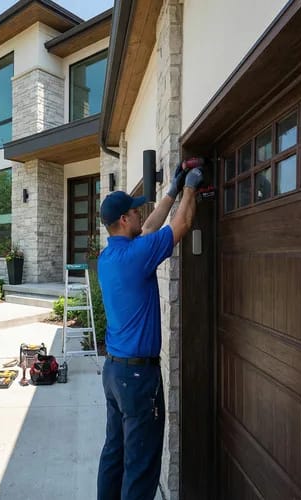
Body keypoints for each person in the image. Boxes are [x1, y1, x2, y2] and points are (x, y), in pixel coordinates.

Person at [96, 162, 204, 500]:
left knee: (115, 452)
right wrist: (192, 187)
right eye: (136, 211)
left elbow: (150, 229)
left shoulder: (111, 256)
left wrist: (171, 190)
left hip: (114, 373)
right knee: (141, 467)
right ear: (125, 220)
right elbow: (182, 224)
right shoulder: (136, 256)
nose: (142, 213)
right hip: (138, 381)